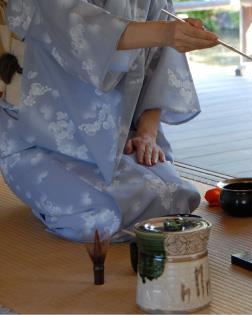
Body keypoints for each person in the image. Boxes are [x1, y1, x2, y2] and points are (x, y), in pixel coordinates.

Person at [0, 0, 218, 241]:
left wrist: (147, 133)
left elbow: (162, 64)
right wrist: (166, 32)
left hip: (122, 135)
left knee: (176, 197)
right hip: (41, 139)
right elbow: (88, 28)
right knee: (102, 218)